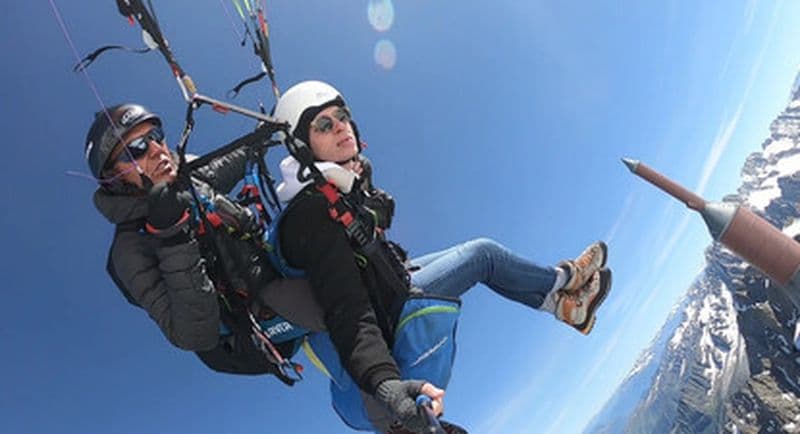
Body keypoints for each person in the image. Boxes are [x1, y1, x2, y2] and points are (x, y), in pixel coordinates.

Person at [270, 80, 613, 433]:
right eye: (323, 124)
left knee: (482, 256)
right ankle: (566, 282)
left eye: (342, 116)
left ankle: (566, 305)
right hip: (382, 316)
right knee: (483, 255)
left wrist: (362, 191)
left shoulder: (342, 183)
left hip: (390, 283)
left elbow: (378, 215)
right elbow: (347, 309)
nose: (340, 126)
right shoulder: (311, 214)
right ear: (303, 147)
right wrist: (386, 385)